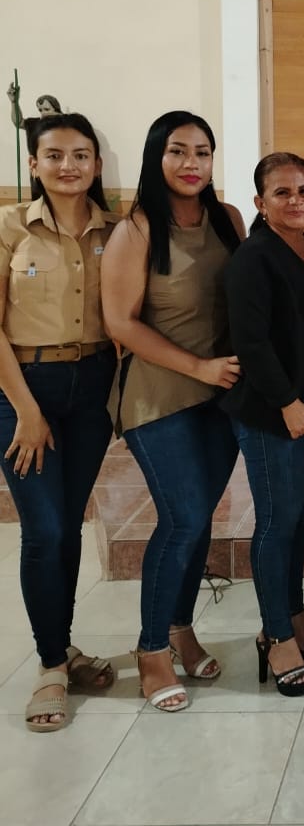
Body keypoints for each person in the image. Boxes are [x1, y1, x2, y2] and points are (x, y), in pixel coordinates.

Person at [102, 111, 244, 712]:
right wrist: (199, 368)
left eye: (203, 152)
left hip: (221, 395)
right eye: (178, 151)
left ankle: (181, 628)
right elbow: (120, 322)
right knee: (182, 518)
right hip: (159, 396)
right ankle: (152, 649)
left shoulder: (228, 218)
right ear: (156, 157)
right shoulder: (135, 230)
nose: (192, 164)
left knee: (200, 519)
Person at [0, 113, 118, 731]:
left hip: (92, 388)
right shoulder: (9, 228)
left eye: (80, 155)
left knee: (69, 525)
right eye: (54, 155)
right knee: (44, 529)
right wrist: (26, 411)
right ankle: (49, 666)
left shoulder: (116, 231)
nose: (68, 166)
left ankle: (62, 645)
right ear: (33, 163)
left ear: (96, 164)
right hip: (25, 388)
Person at [222, 152, 304, 698]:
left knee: (296, 517)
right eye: (282, 192)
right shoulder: (253, 257)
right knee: (275, 522)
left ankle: (294, 615)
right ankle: (275, 636)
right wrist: (288, 401)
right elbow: (251, 341)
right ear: (260, 202)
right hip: (273, 408)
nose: (296, 201)